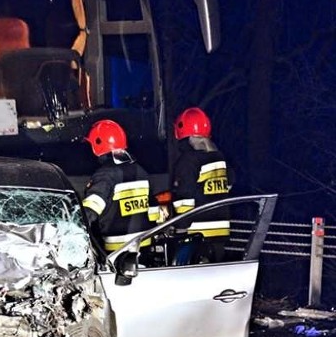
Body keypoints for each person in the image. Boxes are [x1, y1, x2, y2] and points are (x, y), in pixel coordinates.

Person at [82, 119, 159, 252]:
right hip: (145, 247)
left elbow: (90, 211)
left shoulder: (105, 175)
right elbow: (153, 212)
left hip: (116, 252)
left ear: (98, 145)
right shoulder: (141, 171)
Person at [170, 107, 233, 263]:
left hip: (196, 235)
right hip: (220, 233)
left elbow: (185, 198)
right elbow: (229, 185)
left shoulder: (188, 161)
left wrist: (180, 228)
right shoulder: (220, 158)